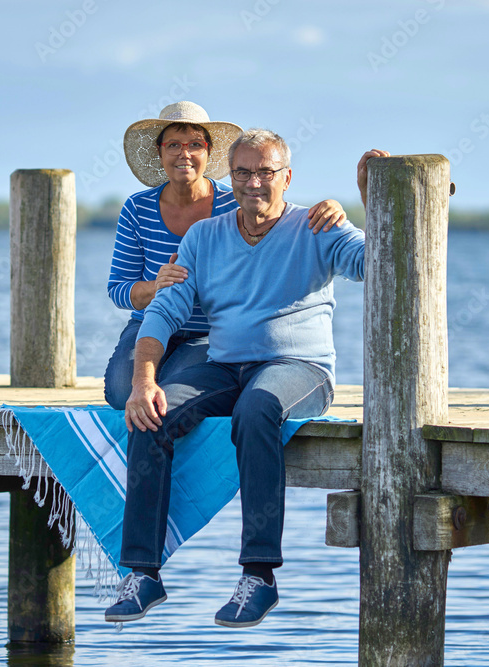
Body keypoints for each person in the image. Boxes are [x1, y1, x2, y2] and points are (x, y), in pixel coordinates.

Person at [104, 130, 385, 628]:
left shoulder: (317, 226)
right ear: (229, 178)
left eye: (266, 172)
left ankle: (259, 576)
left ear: (287, 176)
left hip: (299, 369)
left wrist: (372, 202)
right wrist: (144, 381)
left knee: (255, 408)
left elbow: (376, 264)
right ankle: (142, 573)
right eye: (243, 173)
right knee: (151, 411)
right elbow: (163, 315)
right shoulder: (205, 237)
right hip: (226, 364)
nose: (255, 183)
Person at [104, 101, 349, 409]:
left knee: (167, 394)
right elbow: (118, 290)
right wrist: (157, 287)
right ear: (159, 151)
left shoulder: (234, 202)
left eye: (195, 144)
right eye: (174, 145)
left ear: (208, 152)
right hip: (150, 321)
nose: (185, 154)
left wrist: (331, 206)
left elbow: (277, 213)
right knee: (119, 393)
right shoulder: (136, 209)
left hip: (211, 329)